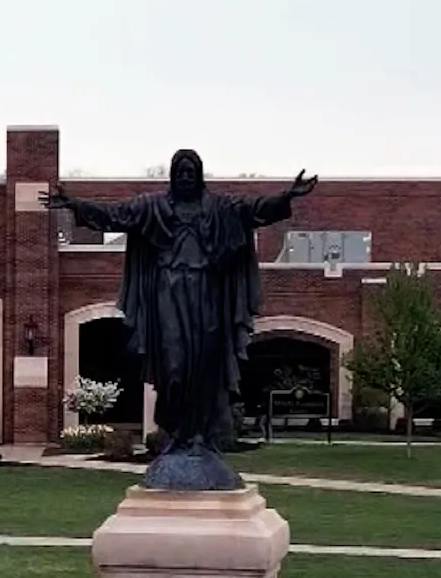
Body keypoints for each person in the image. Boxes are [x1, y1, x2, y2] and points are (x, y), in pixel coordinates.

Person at [44, 150, 318, 490]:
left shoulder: (219, 208)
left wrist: (286, 197)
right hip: (169, 295)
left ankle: (200, 439)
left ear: (200, 175)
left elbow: (253, 212)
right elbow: (116, 216)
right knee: (174, 368)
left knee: (205, 368)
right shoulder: (154, 208)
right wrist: (77, 207)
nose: (186, 176)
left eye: (192, 170)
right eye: (181, 170)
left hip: (206, 297)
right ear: (173, 175)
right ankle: (177, 436)